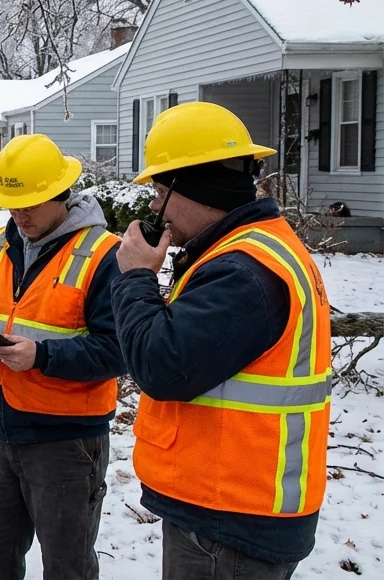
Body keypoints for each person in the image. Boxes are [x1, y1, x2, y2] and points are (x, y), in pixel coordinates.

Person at [114, 102, 330, 579]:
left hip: (230, 520)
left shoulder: (244, 272)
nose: (153, 206)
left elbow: (160, 366)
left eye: (159, 191)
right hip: (231, 508)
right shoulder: (253, 250)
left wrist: (134, 279)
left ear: (194, 187)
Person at [0, 134, 124, 580]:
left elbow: (121, 349)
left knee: (67, 568)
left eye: (30, 204)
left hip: (66, 441)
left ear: (61, 194)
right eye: (12, 204)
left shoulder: (106, 256)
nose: (19, 214)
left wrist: (42, 356)